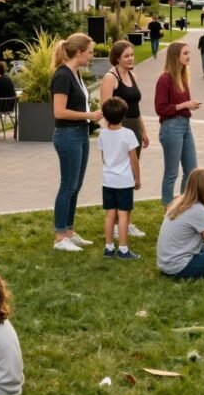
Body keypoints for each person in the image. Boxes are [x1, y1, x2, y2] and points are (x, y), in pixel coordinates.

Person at [51, 33, 103, 252]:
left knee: (76, 186)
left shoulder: (76, 73)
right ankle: (60, 236)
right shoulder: (62, 76)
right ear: (79, 52)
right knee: (68, 185)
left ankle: (69, 232)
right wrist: (89, 117)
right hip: (68, 135)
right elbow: (59, 111)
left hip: (80, 134)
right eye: (90, 52)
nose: (92, 56)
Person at [100, 41, 148, 238]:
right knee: (119, 174)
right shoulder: (111, 78)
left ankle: (125, 221)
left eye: (132, 55)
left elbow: (136, 108)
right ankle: (119, 221)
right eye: (126, 55)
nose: (131, 58)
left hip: (133, 128)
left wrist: (143, 131)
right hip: (118, 130)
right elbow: (105, 109)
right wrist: (110, 135)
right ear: (117, 58)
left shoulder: (133, 76)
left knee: (129, 176)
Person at [154, 41, 200, 206]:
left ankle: (183, 204)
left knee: (192, 170)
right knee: (171, 172)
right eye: (185, 53)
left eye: (189, 53)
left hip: (185, 125)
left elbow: (181, 104)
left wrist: (189, 106)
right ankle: (168, 206)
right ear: (175, 57)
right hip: (171, 127)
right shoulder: (165, 79)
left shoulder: (182, 76)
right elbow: (160, 108)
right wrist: (185, 105)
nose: (189, 57)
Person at [99, 97, 141, 261]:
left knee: (110, 214)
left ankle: (108, 247)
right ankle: (123, 249)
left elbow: (104, 157)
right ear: (124, 115)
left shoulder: (103, 134)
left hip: (108, 181)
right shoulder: (128, 134)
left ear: (105, 116)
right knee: (124, 215)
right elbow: (134, 160)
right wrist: (137, 178)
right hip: (124, 181)